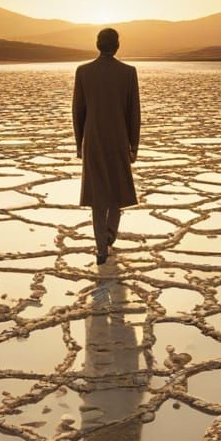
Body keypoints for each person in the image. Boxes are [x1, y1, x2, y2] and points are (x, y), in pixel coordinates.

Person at [72, 27, 141, 264]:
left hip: (93, 140)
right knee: (116, 190)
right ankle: (109, 234)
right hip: (119, 138)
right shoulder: (128, 73)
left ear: (98, 44)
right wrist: (134, 145)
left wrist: (79, 143)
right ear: (117, 45)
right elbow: (134, 113)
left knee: (98, 195)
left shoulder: (84, 72)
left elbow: (78, 111)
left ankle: (102, 247)